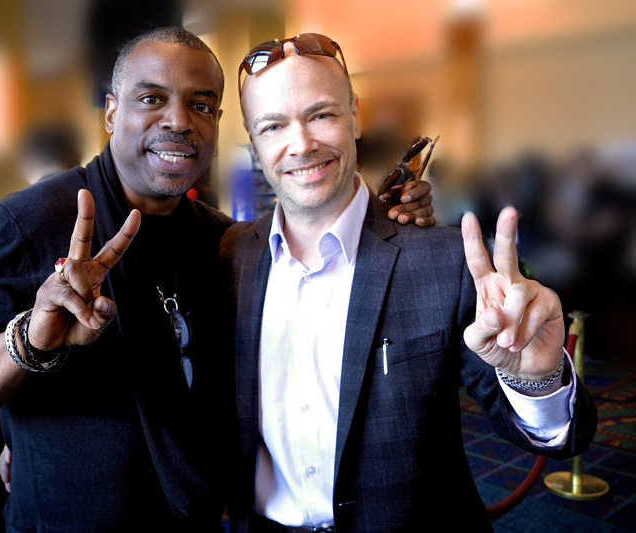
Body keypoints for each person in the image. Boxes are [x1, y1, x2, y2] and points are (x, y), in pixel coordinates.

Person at [0, 27, 434, 531]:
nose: (179, 121)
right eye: (152, 98)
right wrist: (26, 341)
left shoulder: (225, 240)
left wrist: (384, 220)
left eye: (201, 105)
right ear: (112, 112)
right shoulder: (28, 224)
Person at [221, 33, 597, 532]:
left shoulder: (445, 261)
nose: (302, 144)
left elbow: (561, 437)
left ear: (355, 114)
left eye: (322, 115)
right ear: (253, 137)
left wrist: (535, 379)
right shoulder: (229, 257)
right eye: (273, 125)